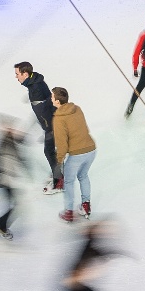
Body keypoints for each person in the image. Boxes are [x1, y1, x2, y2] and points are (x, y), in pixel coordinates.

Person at [14, 62, 61, 193]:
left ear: (25, 74)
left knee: (49, 151)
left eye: (17, 74)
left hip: (52, 125)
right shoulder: (36, 80)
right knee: (52, 151)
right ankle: (57, 172)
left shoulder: (35, 90)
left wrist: (48, 130)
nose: (16, 77)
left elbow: (42, 111)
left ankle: (59, 182)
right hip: (53, 120)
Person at [52, 87, 96, 222]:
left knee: (69, 181)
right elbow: (85, 128)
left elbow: (61, 143)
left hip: (77, 154)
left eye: (52, 97)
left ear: (58, 101)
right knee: (83, 176)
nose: (51, 99)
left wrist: (59, 161)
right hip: (91, 149)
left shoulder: (58, 118)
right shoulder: (77, 109)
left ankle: (69, 212)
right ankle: (86, 205)